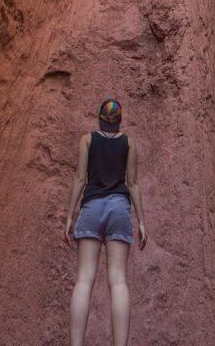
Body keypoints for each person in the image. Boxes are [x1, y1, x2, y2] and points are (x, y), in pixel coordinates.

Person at [64, 98, 147, 346]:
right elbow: (132, 184)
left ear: (99, 118)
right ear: (119, 122)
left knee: (84, 279)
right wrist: (142, 221)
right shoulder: (129, 143)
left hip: (91, 208)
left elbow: (80, 179)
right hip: (119, 210)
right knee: (118, 279)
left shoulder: (87, 140)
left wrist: (69, 215)